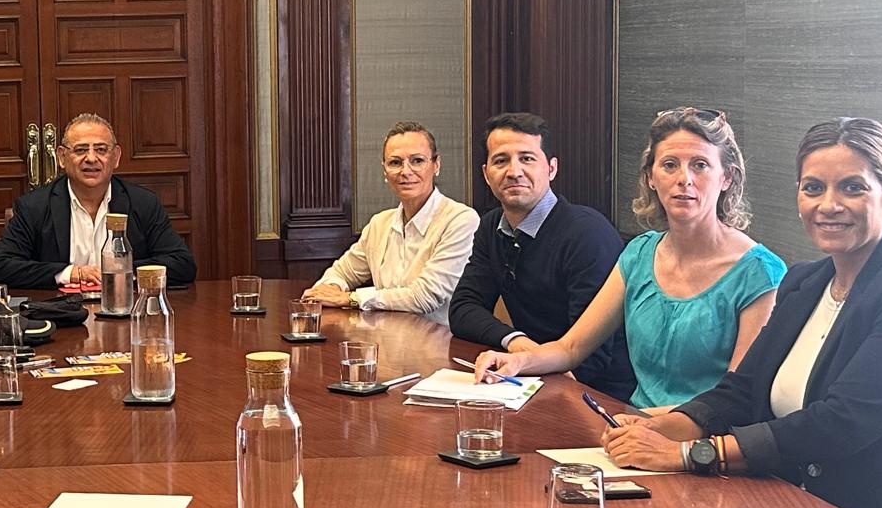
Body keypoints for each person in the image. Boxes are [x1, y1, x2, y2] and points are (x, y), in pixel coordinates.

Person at [604, 118, 882, 508]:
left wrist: (692, 454)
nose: (829, 205)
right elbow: (743, 388)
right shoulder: (804, 281)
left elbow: (841, 423)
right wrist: (665, 426)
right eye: (813, 187)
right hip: (782, 505)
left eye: (852, 187)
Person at [475, 108, 784, 407]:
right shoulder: (640, 252)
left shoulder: (759, 271)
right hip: (632, 424)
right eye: (669, 165)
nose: (684, 179)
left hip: (703, 442)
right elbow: (570, 348)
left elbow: (737, 399)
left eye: (700, 165)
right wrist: (516, 360)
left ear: (727, 178)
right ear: (651, 177)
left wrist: (643, 423)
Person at [448, 111, 635, 400]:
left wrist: (532, 362)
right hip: (534, 379)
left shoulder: (587, 233)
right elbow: (463, 309)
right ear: (486, 174)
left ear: (551, 168)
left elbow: (594, 357)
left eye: (527, 158)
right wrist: (516, 343)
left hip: (599, 394)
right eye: (501, 160)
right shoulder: (491, 227)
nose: (514, 171)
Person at [0, 112, 197, 289]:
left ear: (116, 157)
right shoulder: (34, 207)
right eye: (80, 150)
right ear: (62, 157)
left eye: (101, 150)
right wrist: (73, 273)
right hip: (60, 318)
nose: (92, 158)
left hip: (127, 316)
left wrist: (118, 272)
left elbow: (182, 265)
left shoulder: (143, 204)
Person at [303, 121, 480, 325]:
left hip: (441, 345)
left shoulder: (461, 220)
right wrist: (332, 288)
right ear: (384, 171)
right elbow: (341, 272)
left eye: (417, 161)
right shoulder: (380, 223)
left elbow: (425, 297)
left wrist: (351, 298)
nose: (406, 171)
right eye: (395, 162)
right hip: (385, 342)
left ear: (436, 164)